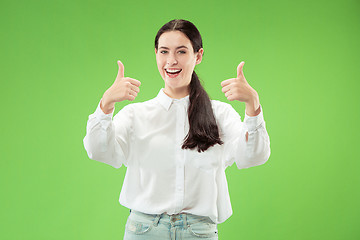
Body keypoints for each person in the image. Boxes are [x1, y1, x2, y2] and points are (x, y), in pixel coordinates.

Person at [83, 19, 270, 240]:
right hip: (144, 231)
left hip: (199, 232)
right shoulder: (136, 115)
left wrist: (253, 106)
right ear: (156, 54)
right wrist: (106, 105)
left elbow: (254, 156)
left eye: (181, 52)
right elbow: (99, 151)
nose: (171, 61)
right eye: (164, 51)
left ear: (198, 56)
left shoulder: (220, 113)